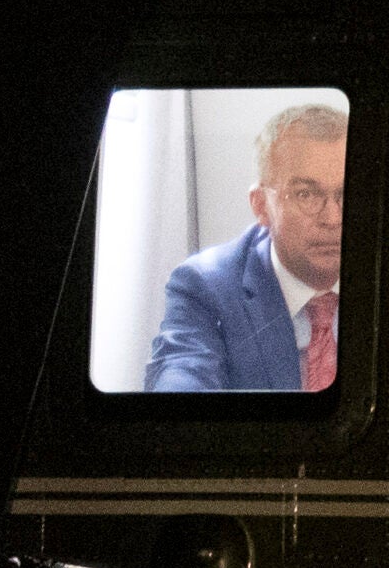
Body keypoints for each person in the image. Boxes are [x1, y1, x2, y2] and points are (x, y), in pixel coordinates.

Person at [144, 103, 346, 392]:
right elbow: (182, 381)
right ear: (261, 205)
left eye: (345, 193)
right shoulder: (206, 286)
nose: (332, 218)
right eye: (306, 194)